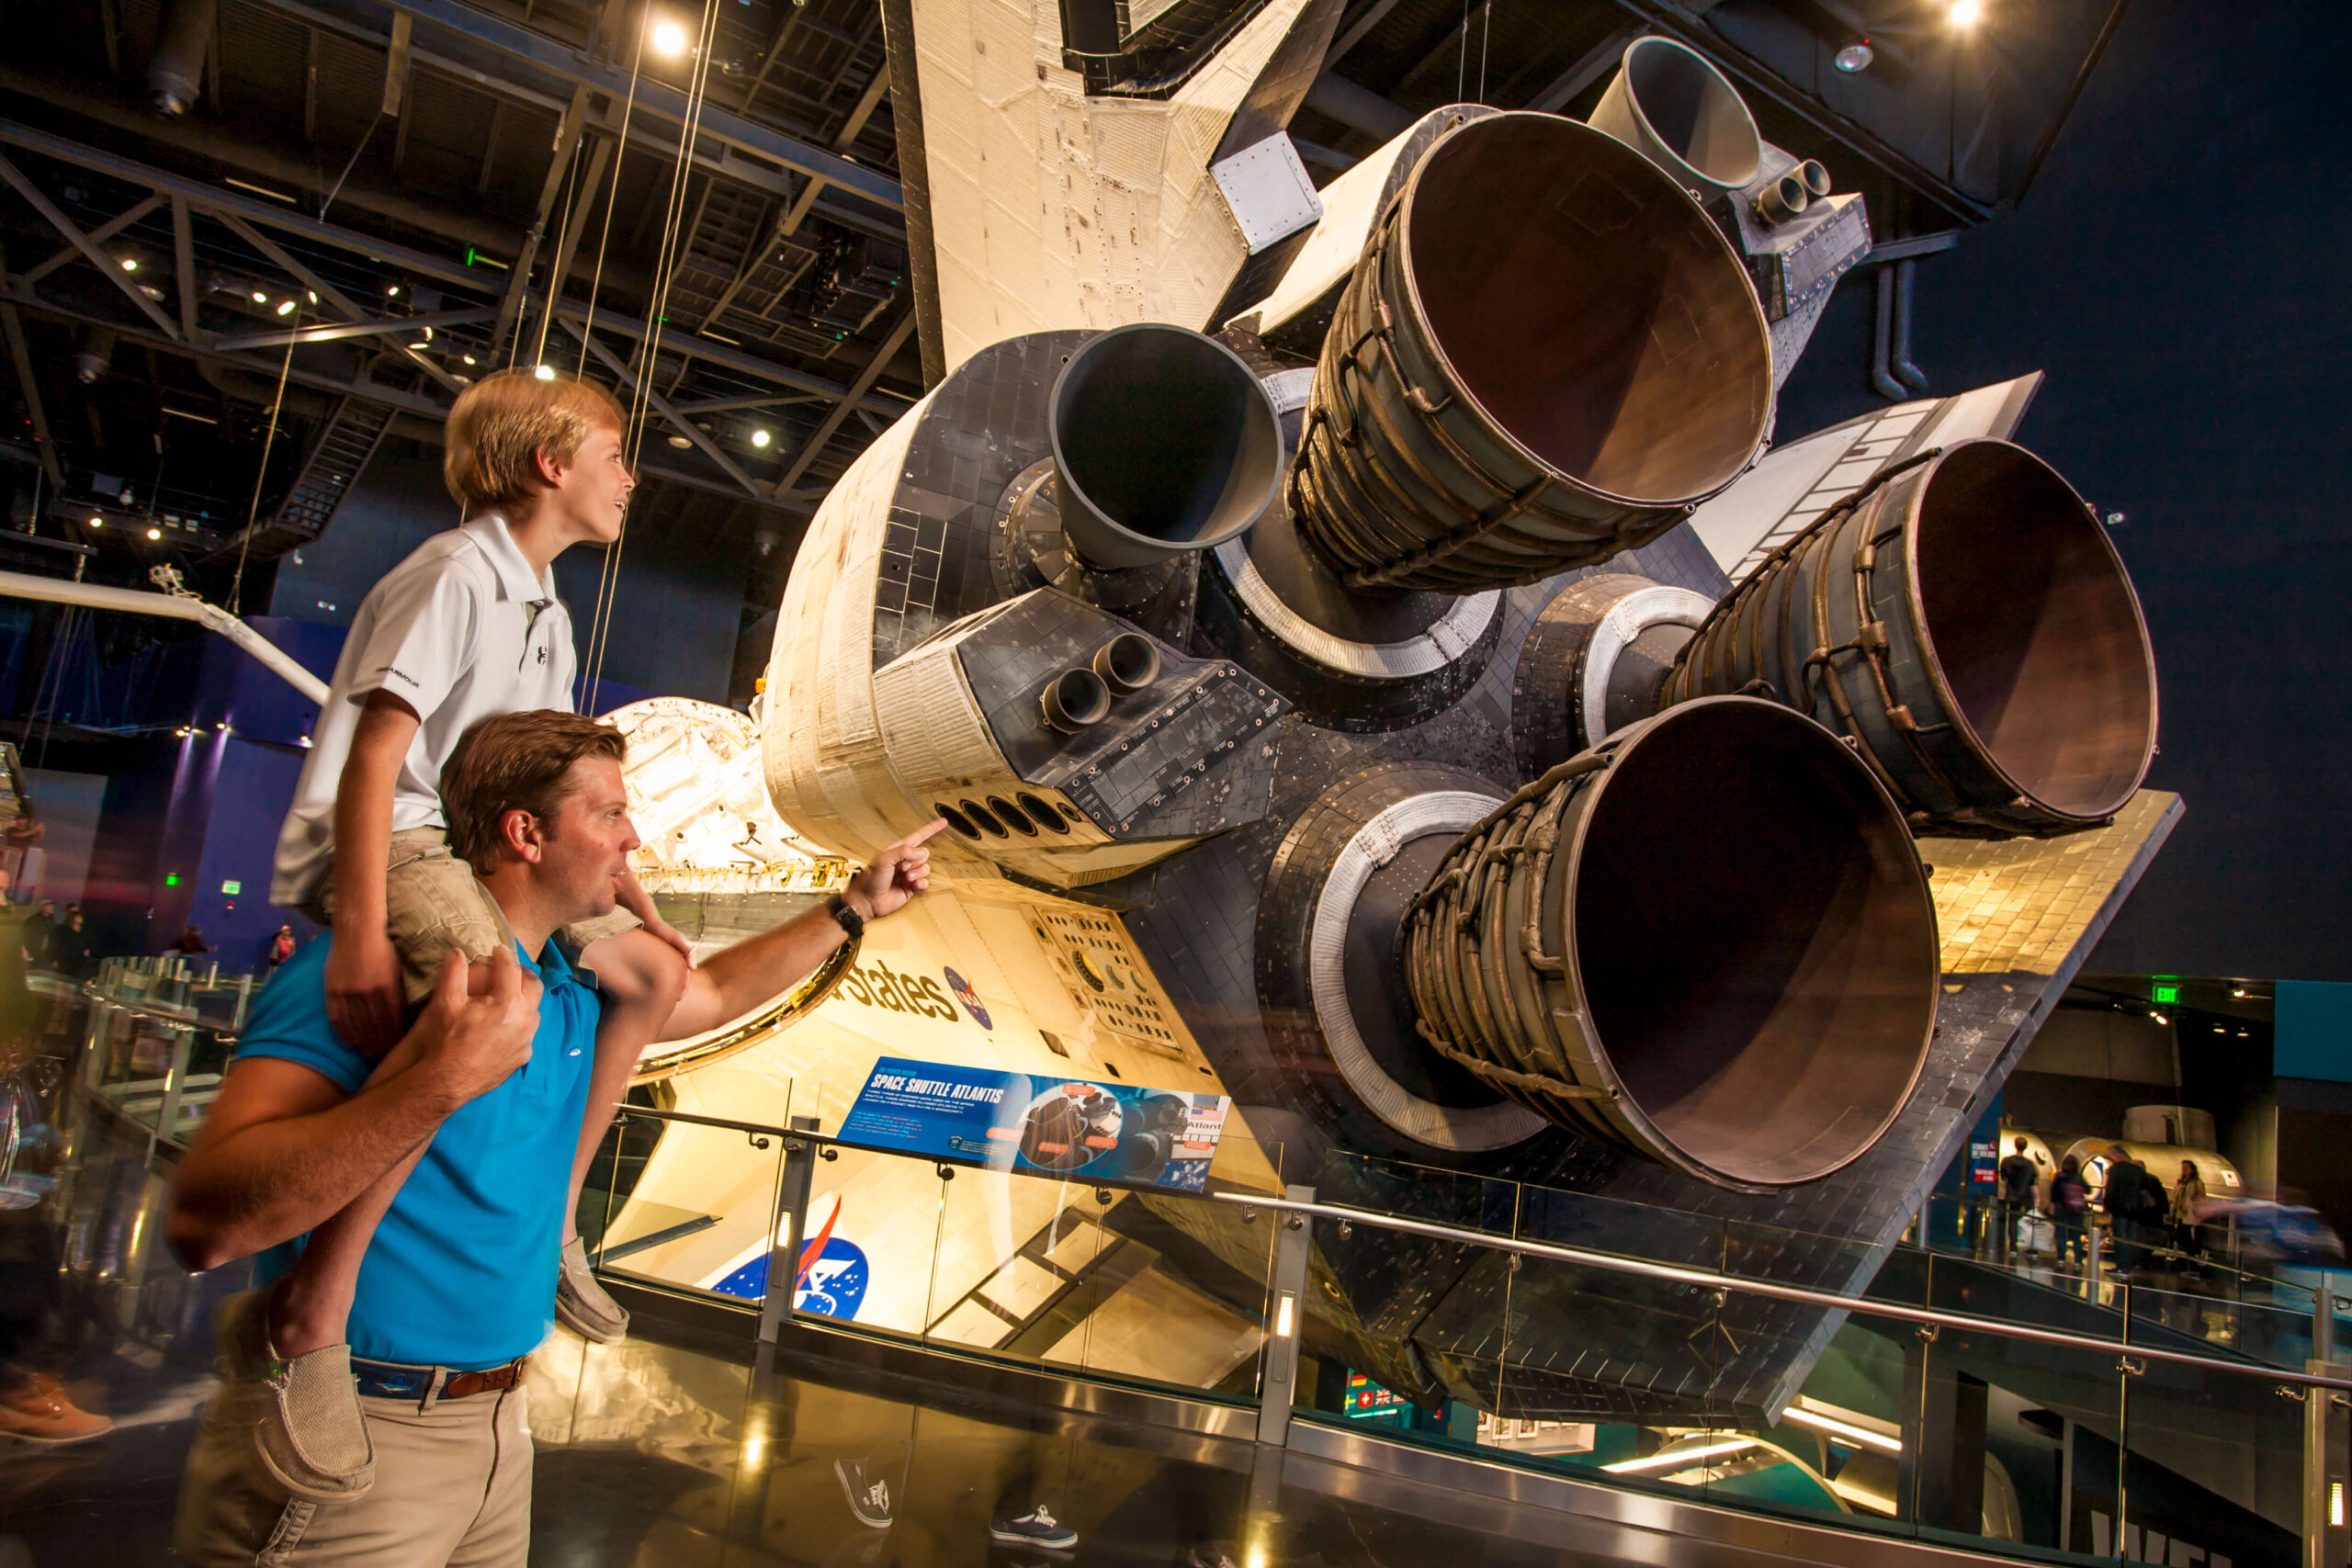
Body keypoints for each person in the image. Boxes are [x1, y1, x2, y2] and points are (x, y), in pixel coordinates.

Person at [167, 709, 946, 1564]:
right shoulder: (364, 980)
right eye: (609, 813)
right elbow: (205, 1223)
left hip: (498, 1431)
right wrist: (440, 1077)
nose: (634, 836)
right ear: (526, 833)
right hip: (353, 1432)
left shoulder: (573, 993)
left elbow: (715, 990)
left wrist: (857, 904)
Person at [254, 367, 697, 1501]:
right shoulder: (457, 573)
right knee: (499, 1003)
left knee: (647, 977)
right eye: (613, 452)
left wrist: (633, 903)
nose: (630, 477)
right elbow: (372, 760)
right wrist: (359, 930)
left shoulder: (544, 609)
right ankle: (319, 1305)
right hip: (400, 842)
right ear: (551, 463)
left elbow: (543, 794)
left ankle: (551, 1228)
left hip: (480, 847)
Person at [1995, 1136, 2039, 1263]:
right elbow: (2033, 1182)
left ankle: (2013, 1247)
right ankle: (2030, 1248)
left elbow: (2003, 1178)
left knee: (2012, 1221)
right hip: (2026, 1196)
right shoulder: (2030, 1165)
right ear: (2025, 1147)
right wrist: (2037, 1198)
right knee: (2029, 1223)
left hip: (2012, 1195)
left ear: (2015, 1145)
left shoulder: (2007, 1162)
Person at [2050, 1154, 2092, 1274]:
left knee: (2061, 1234)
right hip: (2077, 1210)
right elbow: (2088, 1190)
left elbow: (2054, 1193)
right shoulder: (2079, 1177)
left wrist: (2053, 1205)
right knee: (2076, 1236)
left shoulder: (2059, 1177)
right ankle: (2078, 1261)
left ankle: (2061, 1259)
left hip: (2062, 1208)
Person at [2172, 1157, 2208, 1265]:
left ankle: (2193, 1261)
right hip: (2181, 1215)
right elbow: (2175, 1197)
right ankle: (2189, 1260)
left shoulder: (2196, 1184)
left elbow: (2201, 1199)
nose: (2184, 1170)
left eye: (2186, 1168)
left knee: (2190, 1239)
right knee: (2181, 1237)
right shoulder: (2181, 1183)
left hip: (2191, 1215)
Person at [44, 908, 91, 980]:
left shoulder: (81, 935)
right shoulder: (61, 930)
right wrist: (53, 959)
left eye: (80, 924)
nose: (79, 926)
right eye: (77, 923)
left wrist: (85, 954)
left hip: (75, 966)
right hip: (62, 964)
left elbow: (82, 949)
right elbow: (53, 946)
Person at [20, 899, 52, 967]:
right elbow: (26, 935)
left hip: (44, 953)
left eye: (51, 906)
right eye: (48, 906)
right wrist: (26, 950)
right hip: (35, 952)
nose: (51, 907)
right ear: (43, 907)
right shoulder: (33, 921)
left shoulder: (51, 921)